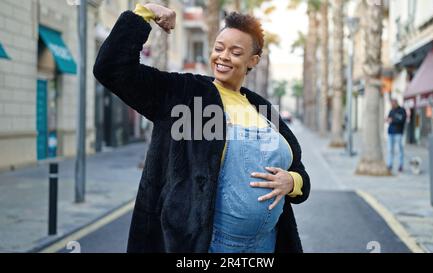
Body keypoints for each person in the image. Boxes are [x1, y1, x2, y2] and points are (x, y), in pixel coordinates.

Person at [93, 2, 310, 253]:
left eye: (236, 52)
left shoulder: (264, 110)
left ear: (254, 60)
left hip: (267, 246)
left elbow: (299, 171)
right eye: (219, 48)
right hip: (204, 246)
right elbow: (111, 68)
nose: (223, 56)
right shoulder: (183, 94)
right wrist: (145, 12)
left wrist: (292, 182)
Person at [386, 99, 407, 173]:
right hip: (390, 133)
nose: (392, 105)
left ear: (396, 103)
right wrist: (389, 120)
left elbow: (402, 120)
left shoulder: (402, 110)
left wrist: (393, 120)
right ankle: (389, 164)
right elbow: (388, 119)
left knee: (399, 150)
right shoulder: (391, 111)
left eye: (392, 103)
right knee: (390, 150)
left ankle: (400, 165)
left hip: (398, 133)